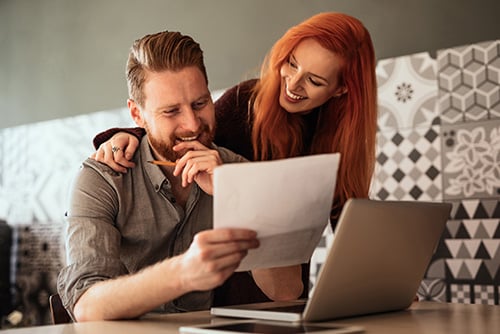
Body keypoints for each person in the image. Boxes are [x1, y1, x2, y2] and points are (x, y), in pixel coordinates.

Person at [91, 12, 377, 306]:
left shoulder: (340, 141)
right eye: (291, 64)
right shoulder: (246, 103)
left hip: (284, 287)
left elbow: (350, 225)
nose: (293, 83)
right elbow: (192, 133)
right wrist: (128, 135)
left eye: (314, 81)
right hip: (227, 289)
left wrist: (381, 282)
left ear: (341, 89)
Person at [57, 30, 304, 322]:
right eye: (171, 111)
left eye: (200, 104)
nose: (192, 124)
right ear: (137, 115)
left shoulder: (235, 169)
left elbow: (286, 291)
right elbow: (87, 307)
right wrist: (185, 272)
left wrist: (236, 194)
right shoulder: (102, 178)